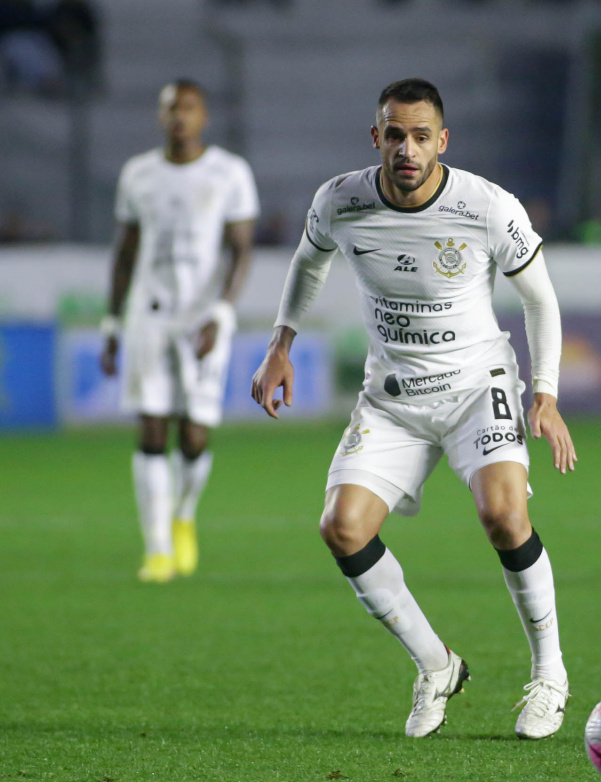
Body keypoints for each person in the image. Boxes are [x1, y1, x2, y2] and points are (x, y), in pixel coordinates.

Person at [251, 78, 577, 740]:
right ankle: (436, 664)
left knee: (504, 514)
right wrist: (280, 342)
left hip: (472, 385)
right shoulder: (339, 199)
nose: (407, 148)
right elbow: (308, 261)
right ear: (376, 137)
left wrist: (543, 392)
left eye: (420, 136)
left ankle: (550, 676)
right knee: (341, 527)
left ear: (441, 141)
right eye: (394, 134)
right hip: (392, 396)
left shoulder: (486, 206)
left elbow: (540, 299)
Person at [100, 79, 259, 583]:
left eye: (188, 108)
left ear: (203, 116)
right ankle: (157, 548)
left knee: (193, 435)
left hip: (203, 319)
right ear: (160, 115)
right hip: (148, 314)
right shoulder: (139, 174)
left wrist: (222, 314)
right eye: (170, 108)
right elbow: (125, 252)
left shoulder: (229, 172)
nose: (179, 117)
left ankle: (184, 515)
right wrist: (111, 321)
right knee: (150, 428)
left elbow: (241, 251)